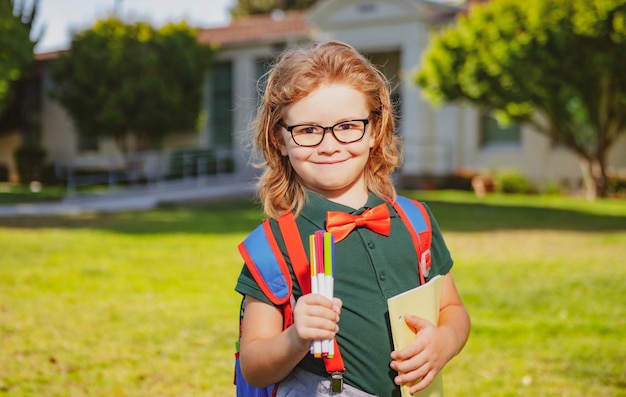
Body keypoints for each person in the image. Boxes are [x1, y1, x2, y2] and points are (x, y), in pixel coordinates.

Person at [235, 40, 470, 397]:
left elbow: (453, 308)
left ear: (375, 129)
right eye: (308, 130)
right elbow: (254, 363)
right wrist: (296, 337)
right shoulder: (274, 243)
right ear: (279, 138)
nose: (329, 145)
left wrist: (445, 340)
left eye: (347, 126)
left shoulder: (414, 220)